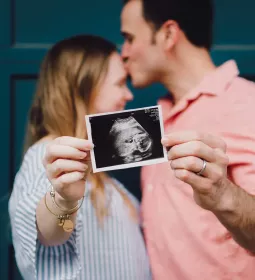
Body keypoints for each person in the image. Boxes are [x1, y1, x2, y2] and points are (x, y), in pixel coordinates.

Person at [121, 0, 255, 279]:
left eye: (129, 39)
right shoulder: (155, 120)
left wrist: (221, 194)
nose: (124, 53)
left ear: (168, 34)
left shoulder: (247, 105)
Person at [8, 34, 151, 280]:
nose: (128, 95)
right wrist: (63, 201)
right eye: (119, 83)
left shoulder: (100, 174)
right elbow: (50, 233)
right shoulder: (48, 157)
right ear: (83, 88)